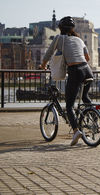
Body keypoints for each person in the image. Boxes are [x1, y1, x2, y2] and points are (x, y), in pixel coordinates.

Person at [40, 16, 94, 146]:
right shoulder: (79, 39)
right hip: (87, 70)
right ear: (73, 28)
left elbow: (48, 54)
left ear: (60, 28)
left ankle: (76, 131)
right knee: (85, 97)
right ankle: (93, 118)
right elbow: (87, 58)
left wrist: (43, 65)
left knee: (69, 105)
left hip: (75, 71)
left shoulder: (59, 38)